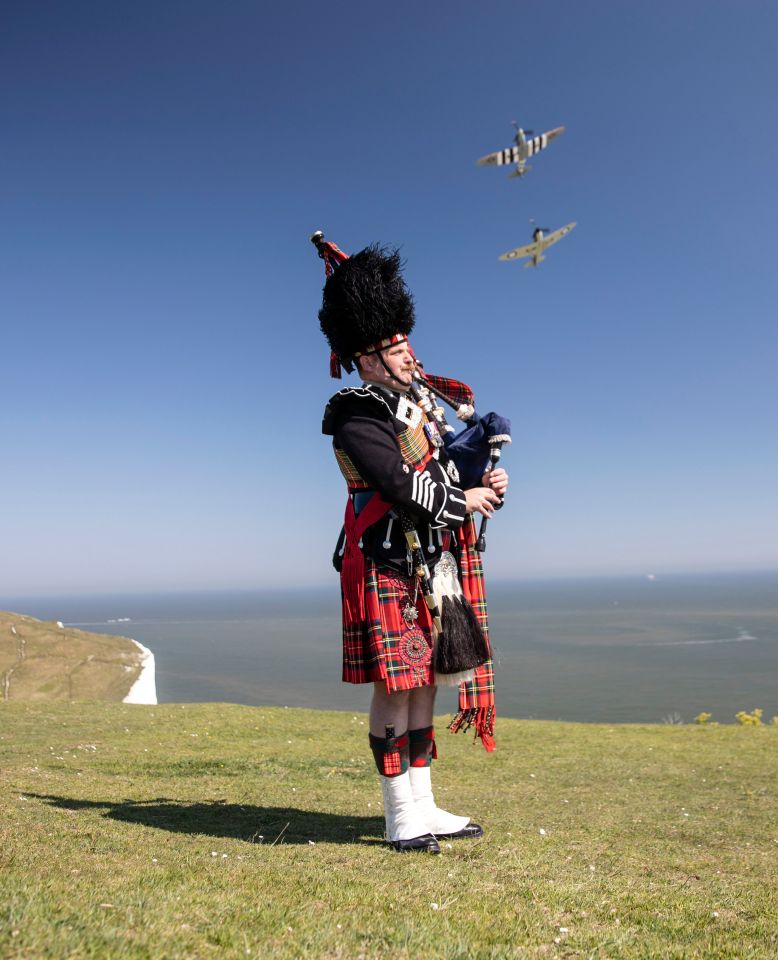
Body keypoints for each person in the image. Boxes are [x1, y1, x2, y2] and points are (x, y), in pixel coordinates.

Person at [317, 241, 508, 853]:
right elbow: (401, 485)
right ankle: (399, 812)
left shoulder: (418, 408)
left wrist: (484, 483)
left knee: (425, 680)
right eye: (398, 350)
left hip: (433, 565)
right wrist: (463, 501)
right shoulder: (355, 412)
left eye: (406, 346)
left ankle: (425, 805)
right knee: (396, 685)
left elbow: (444, 469)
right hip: (388, 562)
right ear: (368, 358)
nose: (410, 356)